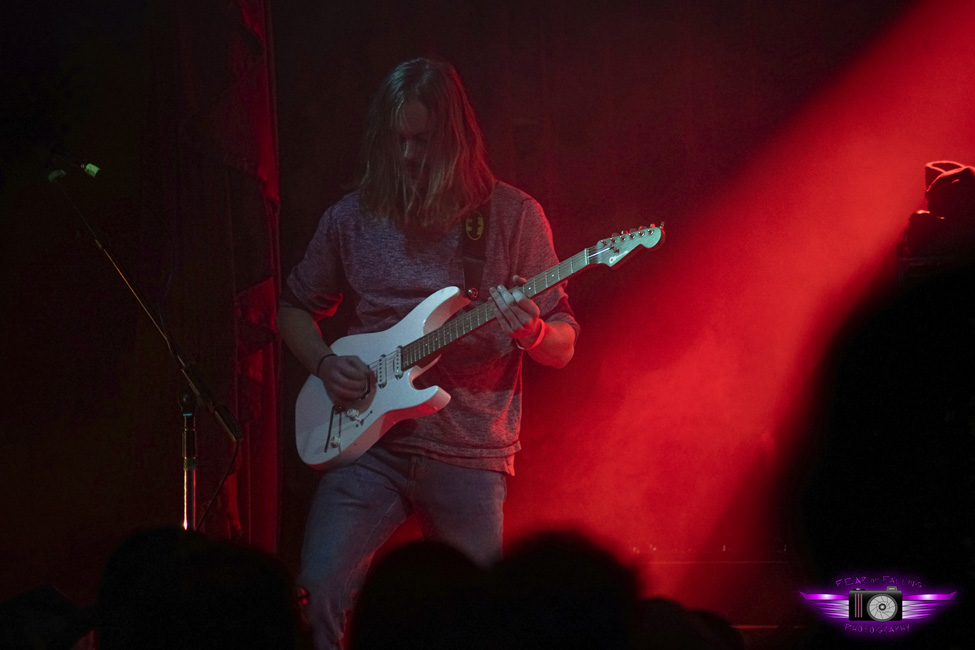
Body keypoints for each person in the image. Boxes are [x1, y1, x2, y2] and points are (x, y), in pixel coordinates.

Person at [276, 57, 579, 650]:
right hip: (368, 447)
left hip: (470, 451)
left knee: (481, 624)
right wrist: (322, 361)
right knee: (315, 597)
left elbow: (563, 344)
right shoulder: (353, 216)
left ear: (457, 137)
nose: (410, 155)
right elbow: (293, 309)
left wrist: (534, 333)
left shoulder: (513, 216)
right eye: (398, 140)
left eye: (423, 139)